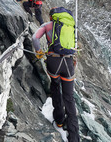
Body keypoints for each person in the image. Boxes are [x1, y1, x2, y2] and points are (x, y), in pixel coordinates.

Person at [32, 8, 80, 142]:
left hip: (53, 61)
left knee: (55, 86)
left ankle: (59, 119)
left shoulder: (47, 26)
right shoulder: (70, 26)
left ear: (52, 16)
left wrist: (39, 52)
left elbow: (35, 38)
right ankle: (74, 137)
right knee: (69, 98)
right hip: (69, 62)